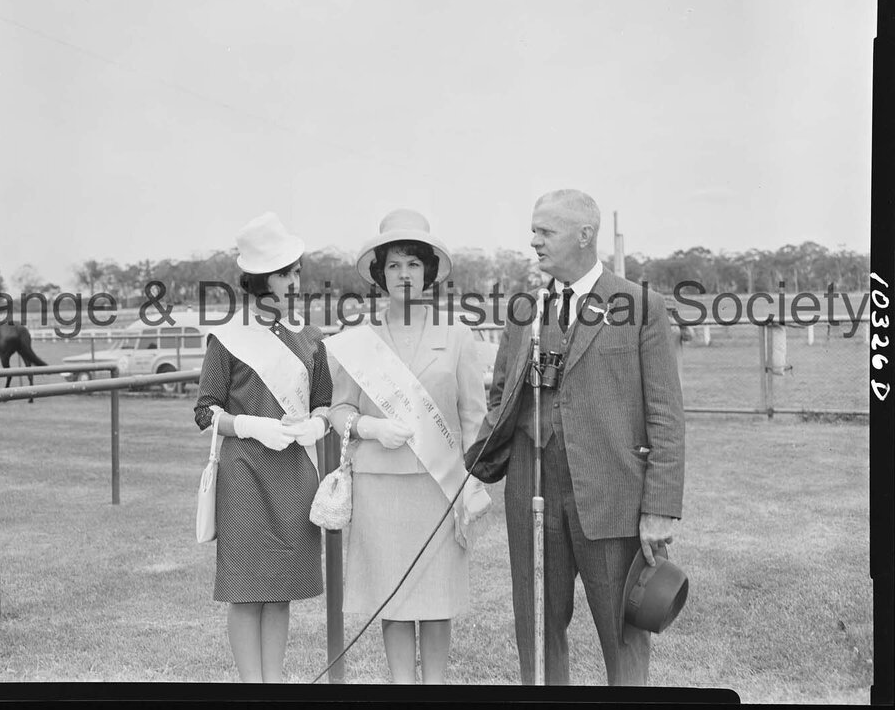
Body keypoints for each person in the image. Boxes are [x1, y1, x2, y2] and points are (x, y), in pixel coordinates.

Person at [473, 189, 685, 686]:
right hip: (531, 486)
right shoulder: (526, 307)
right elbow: (502, 391)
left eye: (545, 231)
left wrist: (659, 508)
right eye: (534, 230)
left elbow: (666, 416)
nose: (533, 242)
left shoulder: (641, 306)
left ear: (584, 235)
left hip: (611, 494)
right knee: (538, 630)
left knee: (624, 633)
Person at [326, 209, 492, 684]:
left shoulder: (459, 334)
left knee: (437, 598)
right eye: (395, 264)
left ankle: (435, 688)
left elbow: (473, 416)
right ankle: (401, 688)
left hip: (439, 487)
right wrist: (367, 428)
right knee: (392, 598)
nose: (405, 274)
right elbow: (338, 410)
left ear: (428, 273)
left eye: (414, 264)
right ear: (380, 274)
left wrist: (470, 482)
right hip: (381, 486)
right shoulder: (359, 340)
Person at [193, 212, 333, 683]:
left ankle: (276, 684)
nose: (295, 280)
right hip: (246, 471)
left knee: (280, 590)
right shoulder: (228, 339)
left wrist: (318, 422)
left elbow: (325, 402)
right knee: (247, 588)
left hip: (295, 472)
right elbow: (204, 411)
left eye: (296, 271)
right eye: (285, 273)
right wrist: (249, 425)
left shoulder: (311, 337)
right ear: (259, 280)